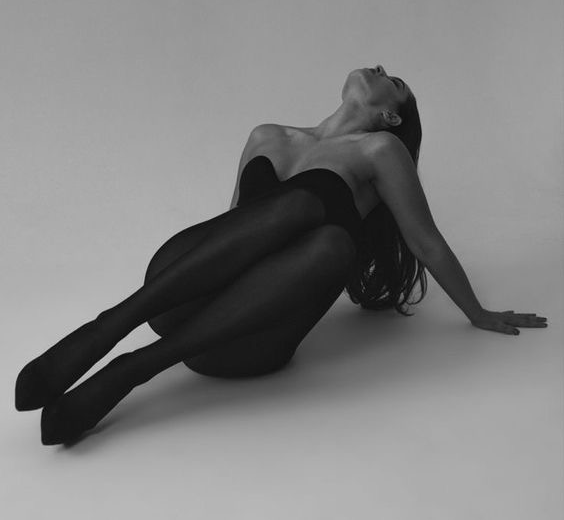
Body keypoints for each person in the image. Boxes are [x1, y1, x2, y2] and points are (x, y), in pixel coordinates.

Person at [14, 64, 548, 445]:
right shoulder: (266, 135)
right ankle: (108, 327)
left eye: (395, 79)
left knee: (330, 238)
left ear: (390, 115)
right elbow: (229, 227)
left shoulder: (379, 151)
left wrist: (478, 312)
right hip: (177, 303)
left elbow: (425, 240)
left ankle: (129, 368)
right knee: (271, 216)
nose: (380, 67)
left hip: (248, 338)